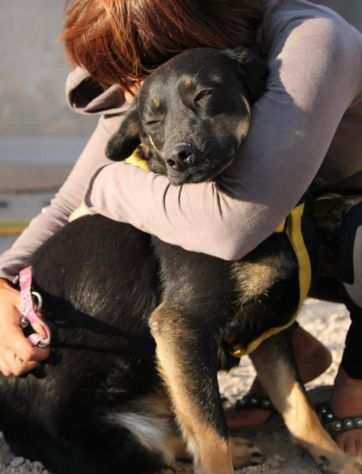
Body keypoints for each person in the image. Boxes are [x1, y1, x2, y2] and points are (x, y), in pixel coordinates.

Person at [0, 0, 361, 458]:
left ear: (197, 35)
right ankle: (288, 345)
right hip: (299, 224)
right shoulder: (158, 86)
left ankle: (354, 385)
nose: (132, 93)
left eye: (139, 71)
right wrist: (3, 281)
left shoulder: (309, 42)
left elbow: (233, 225)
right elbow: (67, 202)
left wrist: (108, 183)